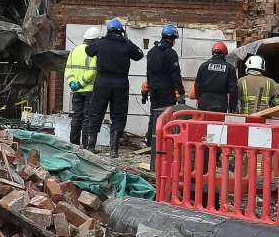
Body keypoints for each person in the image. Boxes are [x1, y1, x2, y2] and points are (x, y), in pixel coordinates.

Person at [83, 19, 143, 157]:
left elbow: (88, 50)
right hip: (120, 83)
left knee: (96, 112)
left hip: (102, 81)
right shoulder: (126, 45)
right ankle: (114, 149)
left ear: (108, 30)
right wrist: (127, 40)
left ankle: (91, 146)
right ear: (121, 31)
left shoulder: (101, 43)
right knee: (118, 115)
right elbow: (139, 55)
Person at [143, 24, 184, 169]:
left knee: (154, 113)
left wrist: (147, 89)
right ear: (172, 38)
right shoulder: (170, 53)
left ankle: (150, 141)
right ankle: (164, 142)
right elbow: (175, 74)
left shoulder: (152, 52)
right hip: (166, 88)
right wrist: (180, 92)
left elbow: (148, 72)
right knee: (166, 115)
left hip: (153, 87)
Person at [64, 27, 100, 147]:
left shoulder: (74, 50)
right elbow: (92, 71)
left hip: (76, 90)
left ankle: (73, 145)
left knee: (76, 116)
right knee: (86, 119)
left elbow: (68, 69)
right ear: (95, 39)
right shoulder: (94, 52)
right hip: (89, 90)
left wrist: (72, 83)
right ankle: (85, 146)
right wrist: (81, 83)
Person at [192, 41, 238, 113]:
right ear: (225, 53)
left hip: (204, 102)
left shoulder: (204, 66)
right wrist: (232, 108)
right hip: (220, 104)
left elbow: (197, 85)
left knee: (203, 123)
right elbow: (233, 90)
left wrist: (199, 98)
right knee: (218, 124)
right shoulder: (229, 68)